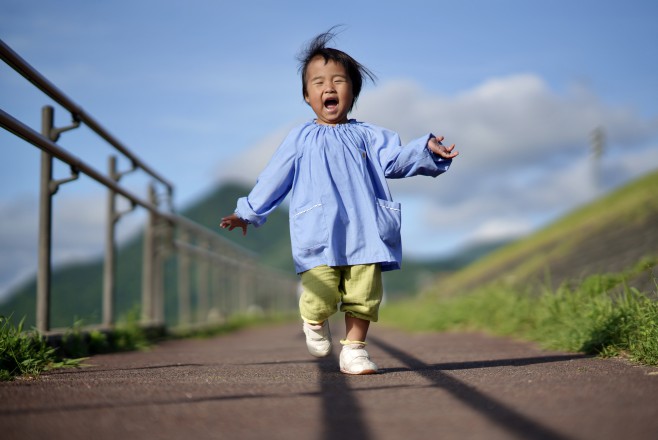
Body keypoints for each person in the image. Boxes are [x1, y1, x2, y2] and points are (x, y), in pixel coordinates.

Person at [220, 28, 458, 375]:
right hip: (319, 231)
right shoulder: (300, 138)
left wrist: (424, 149)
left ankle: (355, 351)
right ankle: (314, 320)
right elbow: (274, 177)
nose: (328, 88)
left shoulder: (371, 135)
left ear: (353, 92)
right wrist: (247, 212)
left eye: (338, 81)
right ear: (306, 96)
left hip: (366, 232)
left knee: (364, 296)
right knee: (321, 295)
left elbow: (397, 159)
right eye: (317, 83)